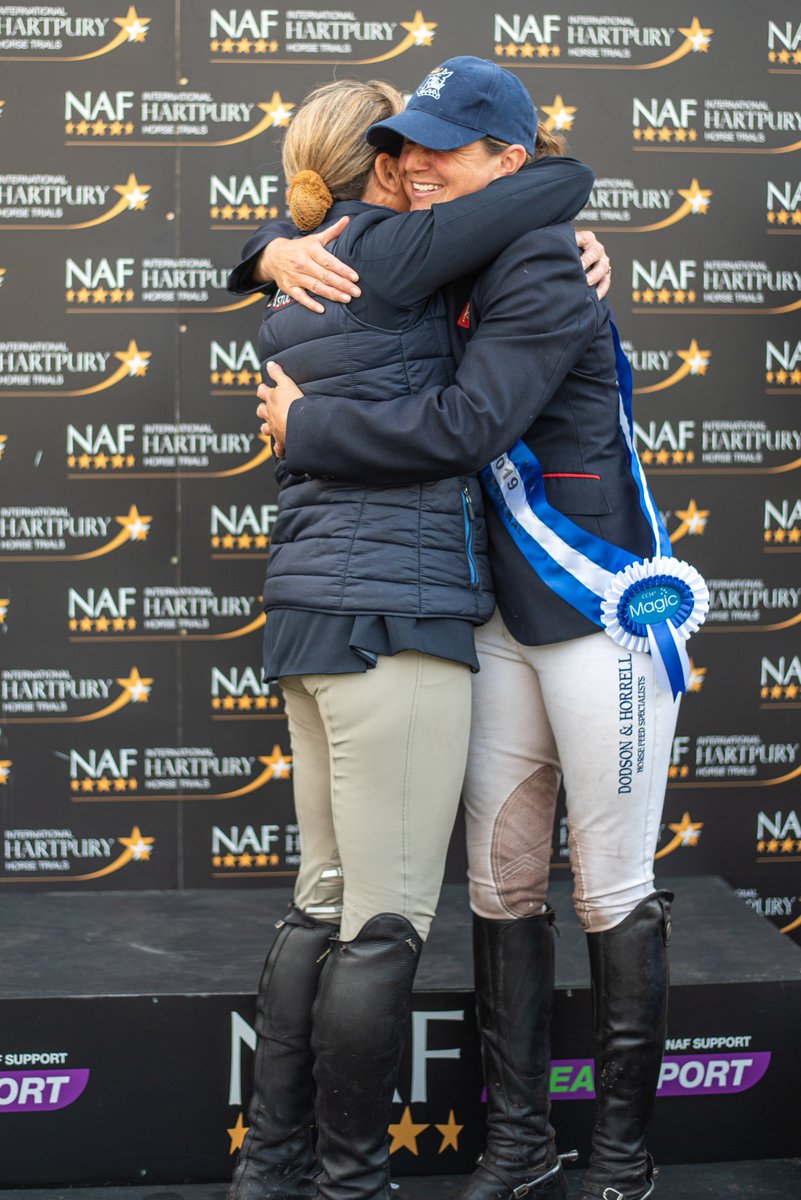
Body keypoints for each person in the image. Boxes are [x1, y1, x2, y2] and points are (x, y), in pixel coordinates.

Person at [257, 60, 693, 1200]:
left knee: (607, 882)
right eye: (404, 146)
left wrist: (307, 425)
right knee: (502, 886)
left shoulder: (545, 253)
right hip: (492, 612)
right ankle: (518, 1143)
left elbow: (471, 422)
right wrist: (263, 250)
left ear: (512, 162)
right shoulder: (436, 256)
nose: (415, 163)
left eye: (445, 146)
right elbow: (333, 225)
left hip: (589, 605)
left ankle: (619, 1156)